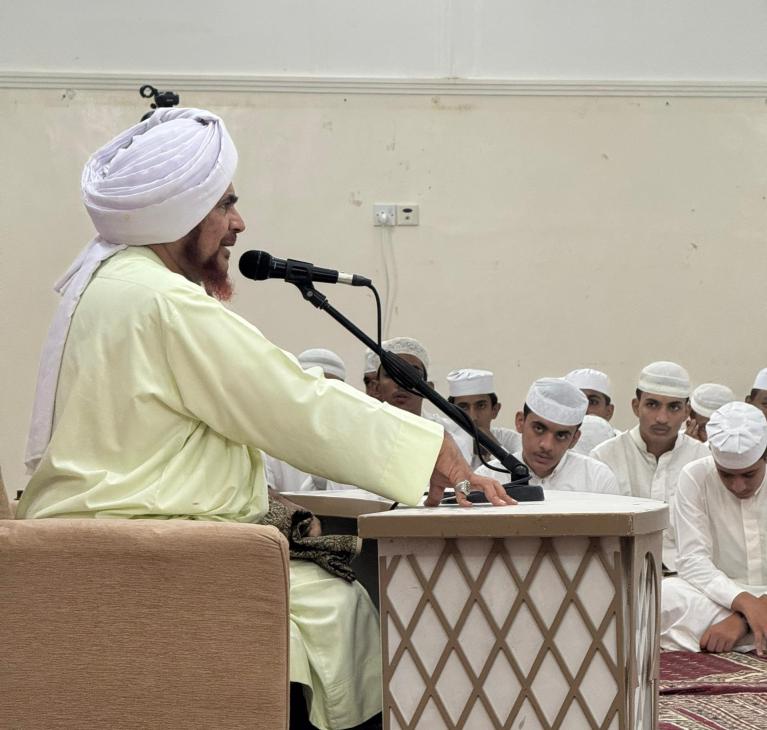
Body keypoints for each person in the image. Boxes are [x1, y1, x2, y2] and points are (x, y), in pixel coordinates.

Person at [16, 108, 512, 730]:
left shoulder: (107, 285)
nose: (238, 223)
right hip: (163, 562)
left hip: (98, 558)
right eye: (225, 204)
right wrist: (429, 448)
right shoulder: (162, 301)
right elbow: (295, 404)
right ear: (181, 212)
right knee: (341, 611)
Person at [661, 402, 767, 655]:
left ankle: (746, 631)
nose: (738, 486)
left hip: (740, 607)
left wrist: (741, 620)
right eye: (726, 475)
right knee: (664, 596)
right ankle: (757, 633)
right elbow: (692, 561)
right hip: (720, 598)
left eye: (749, 475)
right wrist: (744, 603)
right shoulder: (695, 476)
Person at [590, 361, 709, 570]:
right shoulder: (604, 457)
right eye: (652, 405)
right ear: (636, 406)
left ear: (686, 412)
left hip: (688, 575)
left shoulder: (702, 459)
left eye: (674, 407)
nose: (662, 418)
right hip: (621, 572)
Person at [476, 378, 623, 495]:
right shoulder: (486, 476)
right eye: (539, 429)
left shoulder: (597, 480)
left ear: (574, 439)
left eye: (561, 435)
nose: (547, 445)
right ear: (520, 422)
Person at [265, 348, 356, 493]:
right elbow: (266, 496)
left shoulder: (355, 440)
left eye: (328, 387)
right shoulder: (270, 440)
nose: (319, 394)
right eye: (312, 385)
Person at [372, 337, 475, 464]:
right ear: (376, 388)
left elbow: (461, 477)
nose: (401, 382)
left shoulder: (451, 436)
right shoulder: (361, 431)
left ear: (428, 389)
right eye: (391, 374)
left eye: (411, 375)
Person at [446, 368, 521, 469]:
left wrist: (494, 448)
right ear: (451, 413)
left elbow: (524, 474)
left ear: (494, 410)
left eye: (481, 406)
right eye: (463, 407)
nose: (472, 417)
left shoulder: (510, 439)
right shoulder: (443, 444)